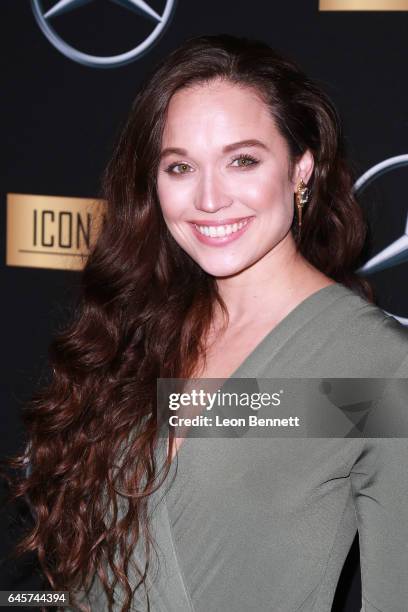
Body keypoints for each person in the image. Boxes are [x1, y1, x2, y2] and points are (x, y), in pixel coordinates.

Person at [2, 34, 408, 612]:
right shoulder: (142, 329)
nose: (210, 198)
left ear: (301, 169)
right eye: (180, 167)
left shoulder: (377, 370)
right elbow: (81, 584)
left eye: (242, 160)